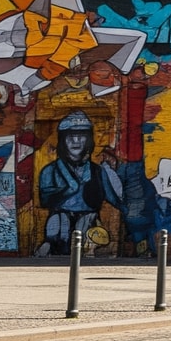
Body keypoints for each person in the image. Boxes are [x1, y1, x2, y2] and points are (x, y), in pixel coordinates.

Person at [37, 109, 124, 255]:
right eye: (70, 137)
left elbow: (117, 199)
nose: (75, 141)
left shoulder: (98, 171)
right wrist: (71, 187)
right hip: (59, 222)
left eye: (81, 137)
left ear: (88, 140)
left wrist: (110, 171)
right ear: (63, 140)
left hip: (88, 222)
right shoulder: (50, 170)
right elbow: (45, 200)